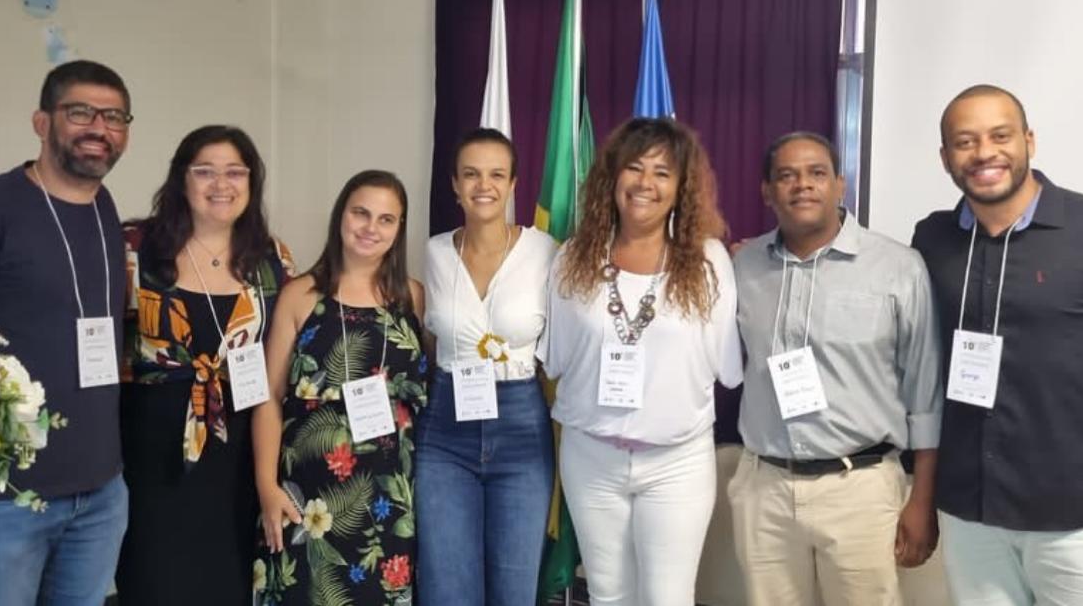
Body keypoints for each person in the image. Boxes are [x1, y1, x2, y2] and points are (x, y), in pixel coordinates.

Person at [911, 84, 1083, 603]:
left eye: (1000, 136)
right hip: (970, 515)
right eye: (965, 141)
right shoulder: (933, 240)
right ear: (945, 157)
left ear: (1028, 140)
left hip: (1082, 521)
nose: (984, 153)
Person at [0, 60, 132, 605]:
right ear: (41, 122)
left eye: (113, 117)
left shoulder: (105, 209)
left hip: (101, 492)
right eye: (80, 112)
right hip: (6, 497)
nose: (99, 128)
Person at [729, 131, 943, 606]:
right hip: (764, 490)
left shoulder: (898, 267)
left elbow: (925, 393)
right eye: (787, 175)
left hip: (860, 490)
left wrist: (922, 500)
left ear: (839, 185)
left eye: (817, 173)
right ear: (767, 191)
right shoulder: (743, 266)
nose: (802, 185)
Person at [543, 117, 742, 605]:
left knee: (667, 597)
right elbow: (557, 361)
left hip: (677, 461)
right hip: (591, 458)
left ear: (681, 188)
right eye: (634, 167)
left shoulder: (709, 261)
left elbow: (724, 367)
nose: (645, 183)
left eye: (662, 172)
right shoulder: (573, 258)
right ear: (612, 177)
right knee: (608, 595)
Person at [116, 126, 296, 604]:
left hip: (238, 454)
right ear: (181, 179)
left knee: (227, 583)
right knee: (153, 582)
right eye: (205, 171)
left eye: (235, 172)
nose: (221, 184)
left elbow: (283, 360)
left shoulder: (271, 259)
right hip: (149, 455)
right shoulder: (135, 247)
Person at [253, 170, 428, 605]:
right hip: (308, 494)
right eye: (361, 213)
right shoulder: (300, 295)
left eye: (386, 219)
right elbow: (268, 397)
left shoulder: (413, 297)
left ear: (400, 228)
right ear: (340, 216)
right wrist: (266, 486)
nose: (371, 228)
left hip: (389, 499)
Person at [416, 128, 557, 606]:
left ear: (513, 184)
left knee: (514, 589)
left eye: (497, 174)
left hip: (521, 429)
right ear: (455, 184)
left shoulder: (545, 251)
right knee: (446, 587)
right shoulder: (435, 252)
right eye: (471, 174)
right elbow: (428, 338)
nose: (484, 185)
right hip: (445, 430)